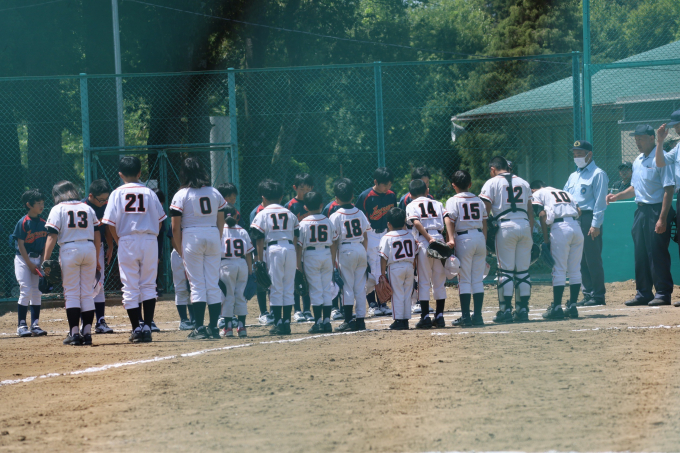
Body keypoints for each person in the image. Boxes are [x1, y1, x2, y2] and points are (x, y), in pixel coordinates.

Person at [102, 156, 166, 343]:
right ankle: (147, 326)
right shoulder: (150, 193)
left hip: (127, 239)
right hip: (149, 239)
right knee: (148, 284)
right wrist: (151, 237)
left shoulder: (116, 193)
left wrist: (118, 241)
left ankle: (136, 327)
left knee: (130, 285)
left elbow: (110, 224)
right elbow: (161, 221)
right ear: (140, 173)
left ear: (120, 174)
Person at [609, 125, 674, 306]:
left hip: (657, 209)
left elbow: (669, 188)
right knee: (641, 252)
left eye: (641, 138)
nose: (637, 142)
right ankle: (643, 293)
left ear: (652, 138)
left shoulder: (661, 158)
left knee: (657, 252)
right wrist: (617, 196)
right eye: (635, 138)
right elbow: (635, 188)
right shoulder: (637, 160)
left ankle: (663, 293)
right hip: (641, 211)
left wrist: (662, 218)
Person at [170, 158, 226, 340]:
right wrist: (216, 239)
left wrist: (179, 249)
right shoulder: (214, 192)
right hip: (212, 233)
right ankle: (214, 327)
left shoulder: (182, 194)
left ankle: (200, 327)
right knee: (212, 282)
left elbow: (175, 227)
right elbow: (220, 220)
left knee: (197, 284)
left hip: (191, 236)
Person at [44, 181, 101, 346]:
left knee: (72, 293)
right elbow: (97, 235)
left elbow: (52, 236)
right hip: (89, 248)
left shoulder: (58, 208)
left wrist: (45, 262)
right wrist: (96, 257)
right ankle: (88, 333)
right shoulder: (87, 208)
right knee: (87, 293)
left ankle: (74, 334)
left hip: (70, 249)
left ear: (57, 194)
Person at [479, 156, 534, 323]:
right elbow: (530, 213)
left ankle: (505, 311)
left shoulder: (492, 182)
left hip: (505, 227)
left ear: (493, 169)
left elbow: (484, 213)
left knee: (506, 271)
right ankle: (523, 310)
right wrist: (529, 234)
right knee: (523, 270)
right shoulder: (524, 183)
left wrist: (484, 236)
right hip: (524, 226)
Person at [251, 179, 299, 336]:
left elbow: (258, 237)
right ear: (282, 197)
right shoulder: (290, 213)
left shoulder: (262, 213)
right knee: (288, 286)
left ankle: (278, 322)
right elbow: (296, 236)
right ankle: (286, 322)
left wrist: (259, 259)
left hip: (273, 249)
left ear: (263, 198)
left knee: (276, 287)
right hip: (290, 248)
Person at [564, 140, 609, 306]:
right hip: (575, 218)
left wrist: (596, 224)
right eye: (575, 154)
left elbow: (599, 202)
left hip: (589, 218)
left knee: (592, 258)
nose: (576, 157)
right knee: (580, 259)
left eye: (580, 154)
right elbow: (565, 195)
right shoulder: (573, 176)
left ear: (589, 155)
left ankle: (598, 295)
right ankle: (588, 293)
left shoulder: (598, 174)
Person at [531, 180, 584, 319]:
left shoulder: (538, 193)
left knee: (559, 269)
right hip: (576, 228)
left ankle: (557, 307)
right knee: (575, 269)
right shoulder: (564, 192)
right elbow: (579, 211)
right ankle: (572, 306)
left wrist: (546, 240)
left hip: (560, 229)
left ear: (533, 190)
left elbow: (542, 215)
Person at [445, 170, 488, 327]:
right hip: (479, 237)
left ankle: (465, 317)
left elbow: (449, 220)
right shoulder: (479, 200)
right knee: (477, 279)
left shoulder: (453, 200)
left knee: (464, 279)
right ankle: (478, 316)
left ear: (453, 185)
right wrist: (484, 240)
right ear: (470, 184)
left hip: (463, 238)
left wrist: (450, 239)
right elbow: (484, 223)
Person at [405, 179, 447, 329]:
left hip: (424, 241)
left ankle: (425, 317)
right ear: (427, 191)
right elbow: (447, 218)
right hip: (440, 240)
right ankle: (440, 316)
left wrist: (429, 239)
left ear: (410, 195)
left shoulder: (411, 204)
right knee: (439, 279)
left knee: (423, 280)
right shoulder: (438, 203)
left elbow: (415, 222)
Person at [329, 178, 370, 331]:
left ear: (336, 198)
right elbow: (366, 235)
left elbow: (333, 241)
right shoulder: (360, 213)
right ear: (353, 196)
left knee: (347, 286)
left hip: (345, 250)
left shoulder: (335, 215)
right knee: (359, 287)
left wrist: (333, 260)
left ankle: (348, 320)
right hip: (360, 249)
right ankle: (360, 320)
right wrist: (364, 253)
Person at [357, 167, 397, 316]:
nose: (387, 187)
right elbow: (359, 217)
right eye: (384, 185)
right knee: (371, 271)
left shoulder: (391, 195)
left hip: (386, 233)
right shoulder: (366, 196)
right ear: (376, 182)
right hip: (371, 234)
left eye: (389, 184)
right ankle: (372, 303)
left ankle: (383, 302)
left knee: (383, 269)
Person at [296, 191, 338, 334]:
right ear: (321, 205)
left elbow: (299, 245)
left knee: (315, 289)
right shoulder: (328, 220)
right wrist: (332, 260)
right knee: (326, 288)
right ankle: (327, 322)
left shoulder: (303, 223)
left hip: (311, 255)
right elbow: (334, 242)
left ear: (305, 207)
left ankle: (318, 322)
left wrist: (298, 264)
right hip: (326, 254)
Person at [12, 189, 48, 337]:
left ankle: (35, 325)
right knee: (26, 289)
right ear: (29, 205)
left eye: (42, 203)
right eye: (38, 203)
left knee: (36, 292)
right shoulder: (23, 222)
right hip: (23, 259)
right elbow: (20, 245)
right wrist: (29, 264)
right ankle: (21, 325)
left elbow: (46, 243)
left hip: (37, 259)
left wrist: (42, 262)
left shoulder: (43, 223)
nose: (41, 206)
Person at [654, 109, 680, 307]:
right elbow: (660, 162)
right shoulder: (678, 147)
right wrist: (660, 142)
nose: (676, 128)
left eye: (677, 124)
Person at [82, 179, 114, 334]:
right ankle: (84, 321)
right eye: (101, 200)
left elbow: (106, 227)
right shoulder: (83, 208)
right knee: (85, 285)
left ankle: (100, 321)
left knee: (99, 284)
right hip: (84, 248)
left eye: (106, 199)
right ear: (91, 196)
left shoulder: (104, 207)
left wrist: (110, 246)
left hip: (99, 247)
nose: (103, 202)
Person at [379, 208, 417, 330]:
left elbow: (383, 257)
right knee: (407, 293)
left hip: (395, 267)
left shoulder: (387, 236)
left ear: (389, 224)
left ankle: (398, 320)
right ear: (404, 221)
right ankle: (405, 319)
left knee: (397, 293)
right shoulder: (410, 235)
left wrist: (382, 274)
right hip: (409, 266)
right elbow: (415, 254)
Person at [219, 206, 253, 338]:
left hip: (226, 264)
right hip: (242, 263)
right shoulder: (242, 230)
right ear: (236, 216)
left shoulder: (220, 230)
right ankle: (242, 326)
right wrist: (250, 270)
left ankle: (228, 328)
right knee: (240, 295)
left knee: (228, 296)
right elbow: (249, 253)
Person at [285, 173, 314, 323]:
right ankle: (297, 310)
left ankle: (307, 309)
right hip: (295, 246)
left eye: (308, 188)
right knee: (296, 277)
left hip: (309, 246)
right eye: (302, 188)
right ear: (296, 188)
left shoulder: (313, 203)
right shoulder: (291, 205)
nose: (305, 192)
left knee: (307, 277)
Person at [249, 201, 273, 325]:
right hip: (260, 250)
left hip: (273, 249)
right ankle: (263, 312)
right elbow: (254, 235)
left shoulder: (277, 210)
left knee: (273, 281)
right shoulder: (256, 212)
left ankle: (273, 310)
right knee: (261, 280)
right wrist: (257, 256)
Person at [168, 225, 195, 331]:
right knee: (181, 288)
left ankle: (194, 319)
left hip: (193, 254)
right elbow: (172, 238)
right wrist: (182, 253)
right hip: (179, 255)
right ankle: (183, 320)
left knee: (193, 287)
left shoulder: (194, 220)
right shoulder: (177, 219)